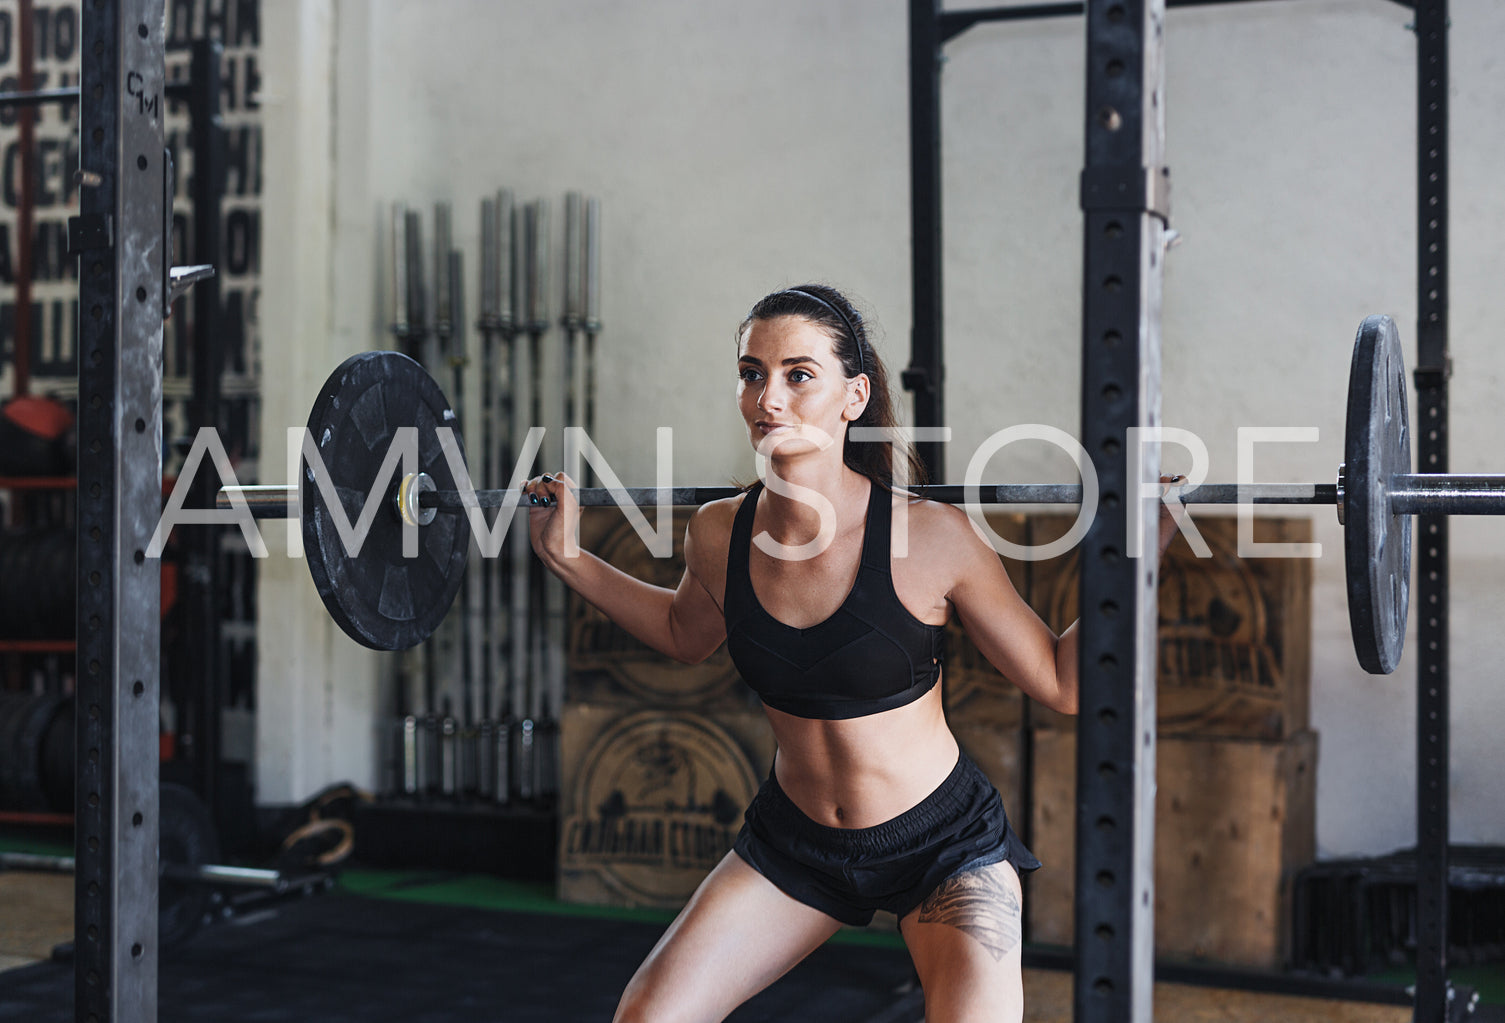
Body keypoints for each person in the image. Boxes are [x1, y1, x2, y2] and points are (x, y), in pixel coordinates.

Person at [524, 284, 1183, 1023]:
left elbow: (1062, 682)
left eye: (798, 375)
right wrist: (571, 559)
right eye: (751, 373)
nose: (768, 398)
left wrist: (1136, 567)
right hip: (796, 844)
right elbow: (686, 635)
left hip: (943, 849)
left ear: (853, 395)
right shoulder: (717, 532)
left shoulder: (932, 537)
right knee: (648, 1017)